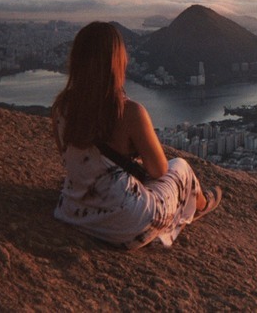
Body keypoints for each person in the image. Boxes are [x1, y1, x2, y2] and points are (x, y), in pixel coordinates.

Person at [51, 21, 221, 248]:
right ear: (117, 62)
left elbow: (67, 156)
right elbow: (159, 170)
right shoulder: (129, 111)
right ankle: (199, 204)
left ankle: (193, 205)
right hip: (127, 224)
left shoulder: (61, 106)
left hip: (74, 211)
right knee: (180, 167)